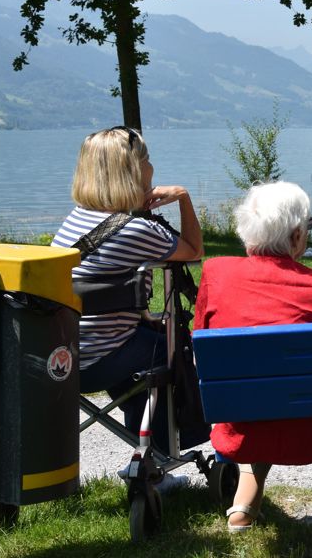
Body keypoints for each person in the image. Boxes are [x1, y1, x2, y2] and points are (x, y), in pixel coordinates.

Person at [194, 181, 312, 532]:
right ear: (297, 235)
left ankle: (243, 504)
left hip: (244, 426)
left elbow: (201, 339)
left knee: (261, 401)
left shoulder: (215, 274)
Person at [52, 126, 207, 458]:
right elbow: (194, 250)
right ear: (132, 171)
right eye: (147, 159)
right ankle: (168, 452)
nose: (152, 167)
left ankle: (150, 453)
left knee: (146, 342)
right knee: (177, 346)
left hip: (64, 356)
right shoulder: (137, 229)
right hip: (101, 360)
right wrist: (182, 196)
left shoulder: (73, 221)